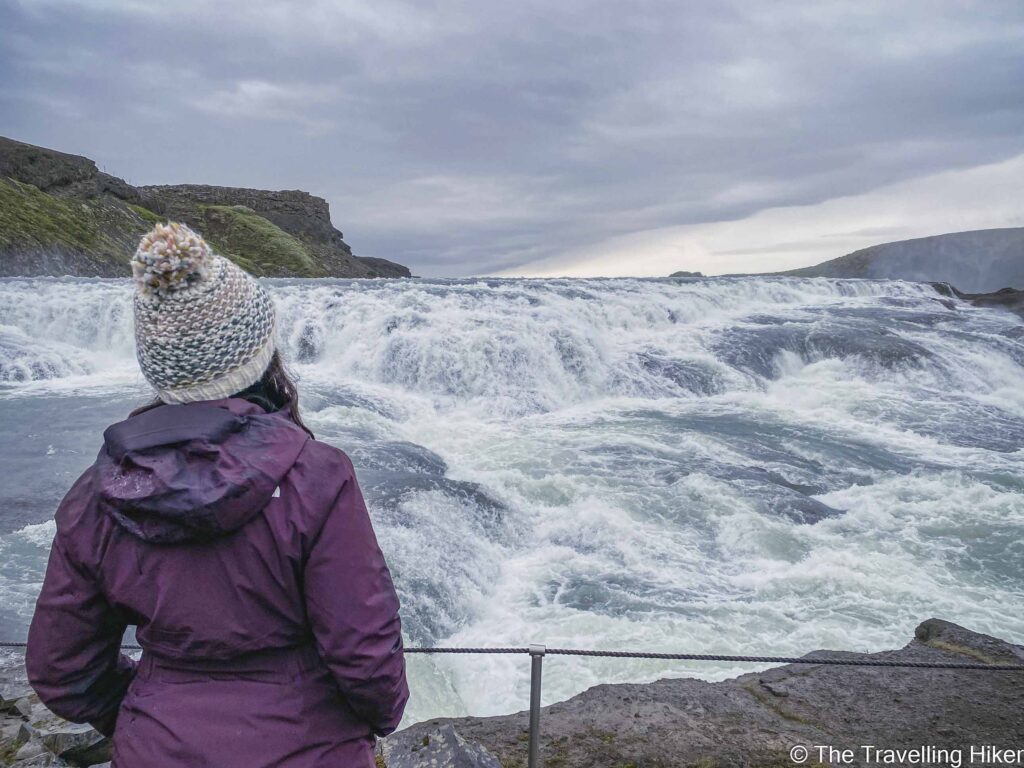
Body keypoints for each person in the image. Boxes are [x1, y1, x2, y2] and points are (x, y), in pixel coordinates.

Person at [25, 222, 409, 767]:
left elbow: (59, 667)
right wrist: (371, 722)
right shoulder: (319, 475)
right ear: (259, 353)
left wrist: (145, 712)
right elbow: (365, 654)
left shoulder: (98, 492)